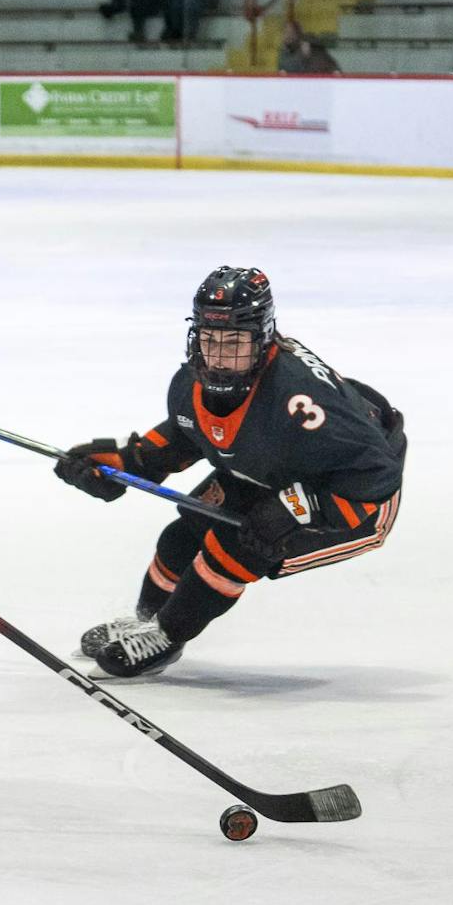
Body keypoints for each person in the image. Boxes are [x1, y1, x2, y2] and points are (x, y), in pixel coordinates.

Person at [54, 267, 406, 680]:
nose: (219, 356)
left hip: (350, 496)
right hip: (270, 470)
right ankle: (146, 622)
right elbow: (189, 432)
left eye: (235, 342)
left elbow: (376, 475)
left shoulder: (301, 399)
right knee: (182, 537)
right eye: (210, 340)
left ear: (264, 337)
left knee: (238, 545)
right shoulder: (191, 381)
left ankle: (167, 636)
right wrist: (125, 462)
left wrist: (298, 508)